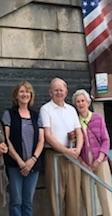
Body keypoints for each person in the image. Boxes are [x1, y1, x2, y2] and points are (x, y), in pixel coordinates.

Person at [39, 78, 82, 216]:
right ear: (50, 92)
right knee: (56, 195)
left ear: (66, 91)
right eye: (56, 90)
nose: (59, 92)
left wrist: (78, 150)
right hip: (55, 156)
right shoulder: (45, 109)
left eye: (61, 90)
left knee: (74, 196)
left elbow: (79, 132)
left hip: (73, 156)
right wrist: (65, 150)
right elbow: (48, 134)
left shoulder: (72, 110)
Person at [3, 81, 45, 216]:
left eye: (27, 92)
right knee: (16, 201)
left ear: (31, 95)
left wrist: (32, 160)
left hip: (33, 165)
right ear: (16, 95)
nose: (24, 94)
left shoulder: (36, 116)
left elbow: (41, 140)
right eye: (21, 91)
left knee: (28, 201)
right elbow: (6, 139)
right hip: (15, 165)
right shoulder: (9, 114)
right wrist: (20, 162)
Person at [72, 89, 112, 216]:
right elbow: (74, 144)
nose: (80, 104)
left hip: (100, 161)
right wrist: (81, 162)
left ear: (88, 102)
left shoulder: (97, 118)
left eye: (83, 101)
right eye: (78, 101)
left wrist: (99, 159)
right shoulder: (74, 121)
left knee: (105, 194)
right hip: (84, 164)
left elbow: (106, 140)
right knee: (88, 197)